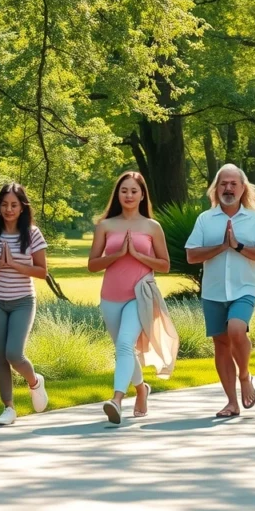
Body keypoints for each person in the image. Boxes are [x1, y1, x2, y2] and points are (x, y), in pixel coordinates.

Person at [88, 171, 178, 425]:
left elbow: (164, 265)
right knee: (123, 349)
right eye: (124, 190)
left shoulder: (152, 226)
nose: (128, 195)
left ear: (142, 195)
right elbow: (93, 265)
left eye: (134, 191)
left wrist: (138, 255)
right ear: (118, 194)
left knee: (126, 345)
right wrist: (118, 255)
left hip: (140, 294)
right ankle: (141, 389)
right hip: (110, 296)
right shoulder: (105, 225)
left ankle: (116, 400)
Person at [185, 164, 255, 418]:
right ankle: (231, 403)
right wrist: (222, 246)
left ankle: (244, 375)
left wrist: (238, 246)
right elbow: (191, 254)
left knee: (236, 329)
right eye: (224, 183)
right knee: (221, 345)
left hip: (244, 288)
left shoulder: (254, 219)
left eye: (233, 184)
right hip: (213, 292)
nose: (228, 188)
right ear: (216, 187)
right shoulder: (206, 218)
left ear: (242, 188)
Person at [0, 183, 50, 426]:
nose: (8, 209)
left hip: (22, 301)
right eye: (4, 204)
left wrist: (14, 264)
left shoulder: (32, 233)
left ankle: (35, 381)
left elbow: (41, 271)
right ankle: (8, 408)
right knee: (0, 356)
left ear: (22, 208)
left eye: (14, 205)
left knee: (13, 354)